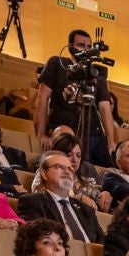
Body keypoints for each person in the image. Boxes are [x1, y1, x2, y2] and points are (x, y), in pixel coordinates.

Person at [32, 30, 114, 162]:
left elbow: (105, 108)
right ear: (70, 47)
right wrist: (41, 134)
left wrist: (111, 142)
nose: (86, 50)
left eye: (89, 47)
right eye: (81, 45)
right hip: (63, 127)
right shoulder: (57, 63)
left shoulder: (96, 72)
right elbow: (42, 98)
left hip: (92, 133)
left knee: (108, 163)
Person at [15, 150, 104, 244]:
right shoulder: (32, 202)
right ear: (44, 174)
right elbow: (35, 240)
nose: (67, 172)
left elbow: (102, 243)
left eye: (70, 169)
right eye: (59, 167)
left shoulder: (85, 209)